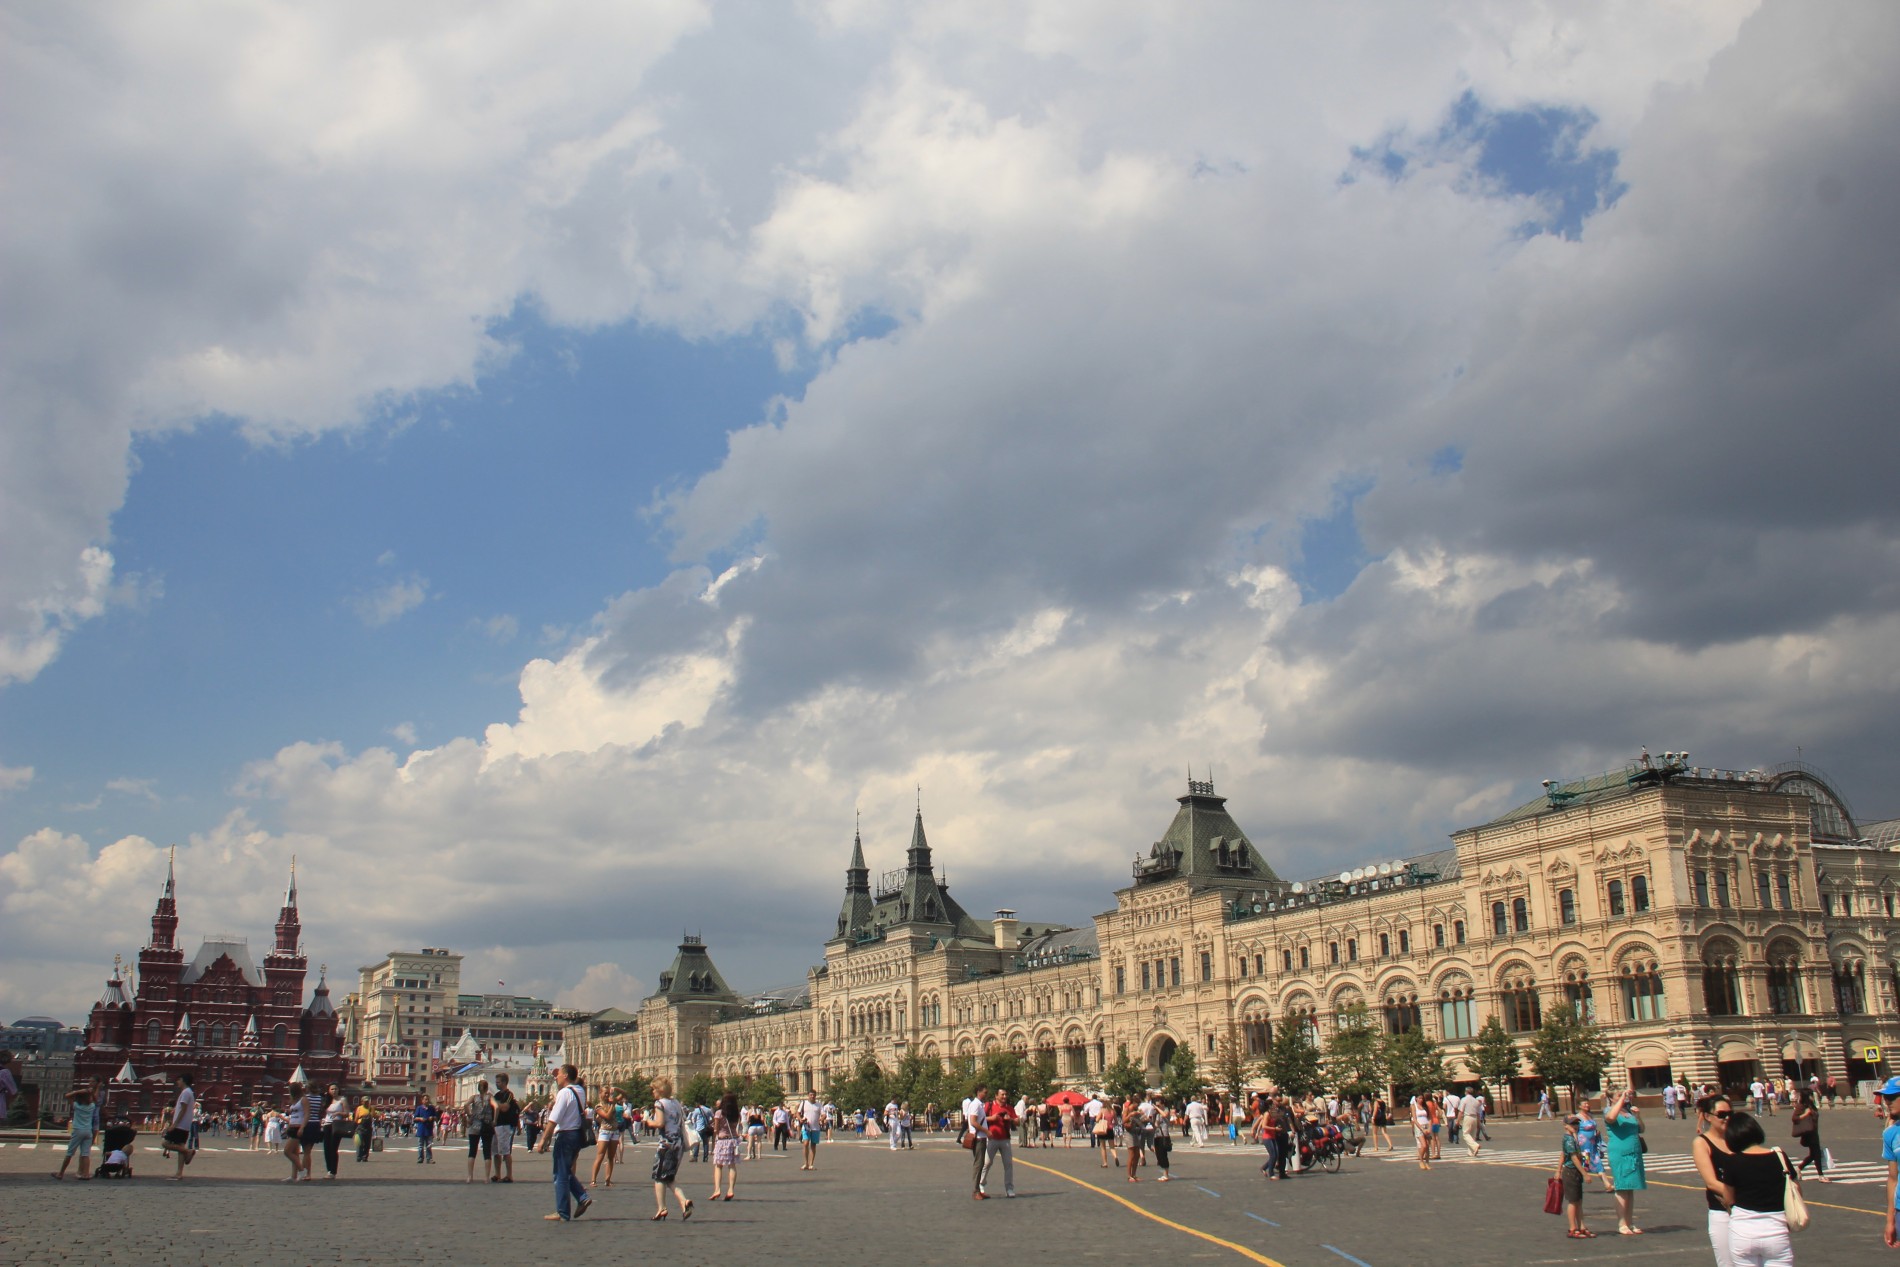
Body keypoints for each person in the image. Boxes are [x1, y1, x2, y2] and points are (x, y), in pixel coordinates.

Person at [1720, 1110, 1799, 1267]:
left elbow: (1729, 1199)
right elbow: (1795, 1189)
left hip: (1743, 1231)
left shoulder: (1732, 1161)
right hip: (1776, 1230)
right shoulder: (1779, 1156)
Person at [534, 1064, 593, 1222]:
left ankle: (563, 1212)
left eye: (558, 1074)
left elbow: (554, 1119)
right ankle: (582, 1197)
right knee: (566, 1171)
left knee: (560, 1173)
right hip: (577, 1136)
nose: (556, 1076)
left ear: (566, 1075)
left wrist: (543, 1142)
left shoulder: (565, 1093)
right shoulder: (580, 1091)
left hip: (565, 1135)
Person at [1693, 1095, 1736, 1267]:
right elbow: (1711, 1182)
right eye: (1721, 1114)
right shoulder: (1701, 1143)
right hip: (1722, 1211)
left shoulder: (1738, 1138)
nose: (1727, 1118)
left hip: (1748, 1211)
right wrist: (1744, 1195)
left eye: (1730, 1113)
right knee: (1728, 1262)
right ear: (1708, 1116)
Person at [1603, 1088, 1647, 1234]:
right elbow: (1610, 1118)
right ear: (1612, 1098)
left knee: (1630, 1188)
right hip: (1620, 1153)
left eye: (1624, 1094)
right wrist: (1622, 1099)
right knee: (1622, 1188)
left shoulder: (1627, 1112)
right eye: (1619, 1095)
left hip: (1634, 1152)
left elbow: (1641, 1129)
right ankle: (1622, 1223)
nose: (1623, 1096)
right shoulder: (1609, 1110)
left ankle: (1630, 1222)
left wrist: (1638, 1116)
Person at [649, 1077, 693, 1221]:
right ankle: (684, 1202)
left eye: (653, 1089)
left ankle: (662, 1208)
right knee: (669, 1177)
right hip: (678, 1144)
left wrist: (649, 1121)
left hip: (666, 1145)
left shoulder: (659, 1103)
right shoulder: (676, 1103)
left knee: (659, 1177)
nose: (652, 1092)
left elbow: (660, 1123)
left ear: (659, 1090)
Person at [54, 1080, 100, 1180]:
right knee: (85, 1154)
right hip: (88, 1131)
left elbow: (67, 1096)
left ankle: (61, 1173)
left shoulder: (77, 1106)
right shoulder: (91, 1107)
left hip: (78, 1130)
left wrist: (78, 1091)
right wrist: (90, 1092)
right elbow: (95, 1100)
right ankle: (86, 1174)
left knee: (70, 1153)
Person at [1559, 1115, 1595, 1239]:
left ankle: (1582, 1227)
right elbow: (1573, 1158)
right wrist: (1585, 1174)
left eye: (1577, 1124)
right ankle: (1572, 1228)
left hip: (1574, 1171)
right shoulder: (1568, 1139)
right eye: (1572, 1124)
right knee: (1573, 1202)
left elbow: (1563, 1154)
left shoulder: (1572, 1137)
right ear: (1565, 1125)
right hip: (1571, 1171)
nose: (1576, 1126)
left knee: (1579, 1201)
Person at [161, 1072, 197, 1180]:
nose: (177, 1082)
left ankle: (188, 1151)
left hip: (180, 1125)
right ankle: (179, 1173)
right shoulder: (189, 1092)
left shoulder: (186, 1092)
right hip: (185, 1125)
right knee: (180, 1147)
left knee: (165, 1143)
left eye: (179, 1080)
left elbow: (183, 1109)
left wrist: (174, 1124)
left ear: (184, 1080)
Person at [984, 1085, 1017, 1197]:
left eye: (1005, 1094)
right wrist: (992, 1118)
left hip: (1005, 1139)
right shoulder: (989, 1106)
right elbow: (981, 1118)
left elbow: (1017, 1121)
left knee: (1008, 1164)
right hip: (992, 1138)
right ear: (996, 1096)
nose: (1004, 1096)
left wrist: (1011, 1119)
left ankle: (1009, 1189)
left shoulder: (1009, 1108)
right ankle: (981, 1184)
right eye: (1002, 1094)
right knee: (987, 1163)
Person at [1788, 1089, 1826, 1182]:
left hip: (1814, 1132)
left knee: (1813, 1155)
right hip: (1808, 1134)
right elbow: (1794, 1118)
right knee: (1816, 1154)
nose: (1813, 1097)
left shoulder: (1811, 1105)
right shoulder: (1801, 1106)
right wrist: (1805, 1114)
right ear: (1806, 1096)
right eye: (1811, 1095)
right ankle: (1821, 1175)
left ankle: (1798, 1168)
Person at [1880, 1075, 1900, 1250]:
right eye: (1885, 1097)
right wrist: (1890, 1220)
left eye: (1892, 1097)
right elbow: (1893, 1178)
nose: (1887, 1101)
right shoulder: (1890, 1134)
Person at [710, 1092, 742, 1201]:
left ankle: (717, 1189)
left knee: (718, 1165)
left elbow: (716, 1129)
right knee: (732, 1166)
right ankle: (731, 1190)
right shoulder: (736, 1114)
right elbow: (735, 1126)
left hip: (722, 1140)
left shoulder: (719, 1113)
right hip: (733, 1141)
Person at [962, 1082, 991, 1197]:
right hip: (979, 1137)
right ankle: (976, 1191)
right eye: (985, 1092)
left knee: (981, 1163)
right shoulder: (975, 1104)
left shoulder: (979, 1104)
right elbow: (973, 1122)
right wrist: (986, 1131)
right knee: (978, 1164)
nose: (986, 1094)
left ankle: (978, 1189)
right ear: (979, 1092)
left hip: (980, 1137)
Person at [465, 1079, 496, 1183]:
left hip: (475, 1125)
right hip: (487, 1125)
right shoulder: (490, 1097)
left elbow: (465, 1105)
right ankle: (486, 1178)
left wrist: (470, 1116)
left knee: (472, 1151)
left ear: (478, 1088)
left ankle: (470, 1176)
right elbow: (496, 1107)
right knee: (487, 1151)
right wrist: (494, 1119)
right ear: (487, 1088)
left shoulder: (474, 1097)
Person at [491, 1073, 520, 1182]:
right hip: (496, 1125)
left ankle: (509, 1175)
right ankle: (497, 1174)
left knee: (505, 1151)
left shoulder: (508, 1094)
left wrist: (495, 1104)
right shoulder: (497, 1095)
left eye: (498, 1082)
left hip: (505, 1126)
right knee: (495, 1151)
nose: (496, 1084)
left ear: (504, 1082)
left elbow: (505, 1108)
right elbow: (495, 1107)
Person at [589, 1088, 621, 1187]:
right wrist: (612, 1104)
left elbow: (624, 1094)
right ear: (600, 1093)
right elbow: (607, 1116)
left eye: (608, 1093)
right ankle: (593, 1180)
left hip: (614, 1131)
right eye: (605, 1093)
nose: (607, 1095)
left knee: (611, 1157)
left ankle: (608, 1179)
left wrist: (616, 1089)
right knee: (600, 1155)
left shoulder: (612, 1102)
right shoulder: (598, 1106)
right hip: (605, 1131)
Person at [320, 1084, 350, 1179]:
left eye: (336, 1089)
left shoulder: (342, 1099)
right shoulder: (327, 1100)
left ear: (339, 1090)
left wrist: (338, 1113)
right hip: (327, 1125)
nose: (334, 1091)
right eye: (332, 1089)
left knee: (333, 1148)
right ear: (329, 1090)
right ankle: (329, 1170)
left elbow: (347, 1113)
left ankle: (333, 1172)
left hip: (336, 1125)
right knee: (326, 1148)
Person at [1150, 1093, 1174, 1182]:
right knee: (1159, 1154)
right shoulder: (1156, 1112)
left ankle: (1166, 1174)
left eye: (1158, 1101)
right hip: (1157, 1134)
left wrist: (1157, 1108)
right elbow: (1155, 1124)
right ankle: (1164, 1173)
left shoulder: (1166, 1109)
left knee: (1163, 1155)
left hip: (1164, 1134)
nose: (1157, 1103)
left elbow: (1165, 1115)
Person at [800, 1090, 825, 1170]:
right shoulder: (804, 1103)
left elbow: (824, 1114)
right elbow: (797, 1113)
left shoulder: (819, 1105)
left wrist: (821, 1119)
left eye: (813, 1095)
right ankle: (805, 1163)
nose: (812, 1096)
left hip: (815, 1128)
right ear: (808, 1095)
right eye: (811, 1095)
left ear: (815, 1096)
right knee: (806, 1143)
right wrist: (800, 1119)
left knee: (813, 1145)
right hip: (806, 1127)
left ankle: (811, 1164)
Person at [413, 1095, 437, 1163]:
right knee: (420, 1145)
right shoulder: (419, 1108)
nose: (426, 1101)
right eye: (425, 1099)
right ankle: (420, 1158)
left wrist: (432, 1117)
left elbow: (436, 1117)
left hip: (429, 1129)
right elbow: (415, 1118)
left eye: (427, 1099)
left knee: (429, 1145)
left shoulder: (431, 1108)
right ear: (422, 1100)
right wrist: (420, 1118)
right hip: (421, 1128)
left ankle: (429, 1159)